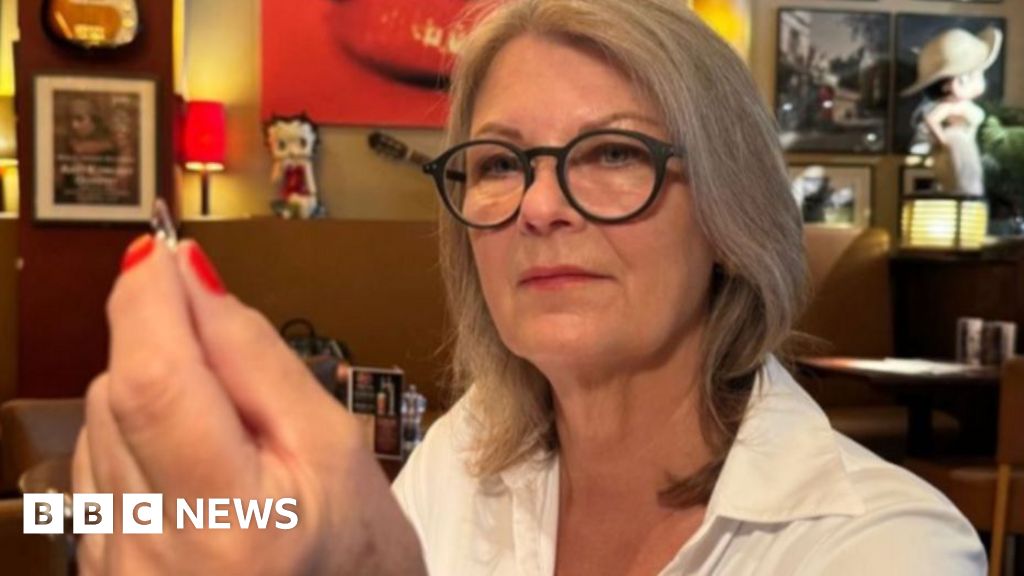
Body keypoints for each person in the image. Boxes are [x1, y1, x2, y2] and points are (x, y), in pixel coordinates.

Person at [75, 1, 985, 574]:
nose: (539, 206)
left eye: (614, 153)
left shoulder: (886, 545)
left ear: (726, 211)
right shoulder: (462, 459)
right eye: (501, 163)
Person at [902, 27, 1003, 196]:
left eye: (977, 75)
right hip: (956, 148)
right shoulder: (950, 108)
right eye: (964, 79)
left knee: (971, 181)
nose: (974, 83)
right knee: (961, 182)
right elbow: (931, 119)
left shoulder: (966, 107)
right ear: (946, 86)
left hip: (968, 147)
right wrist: (944, 141)